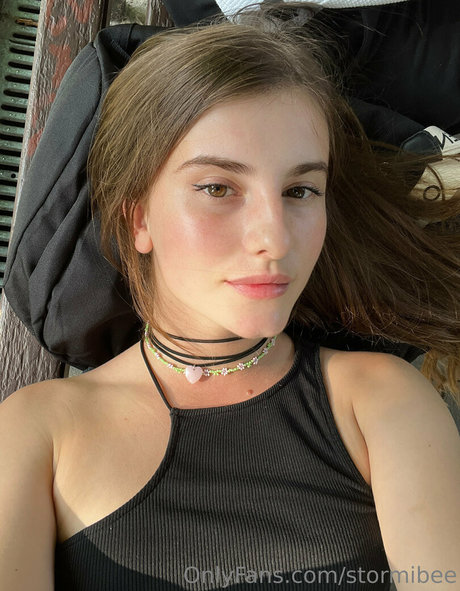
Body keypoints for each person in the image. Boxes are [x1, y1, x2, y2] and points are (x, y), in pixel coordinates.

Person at [0, 6, 459, 590]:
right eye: (218, 187)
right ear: (138, 218)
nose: (276, 239)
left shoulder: (379, 402)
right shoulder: (38, 431)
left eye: (300, 190)